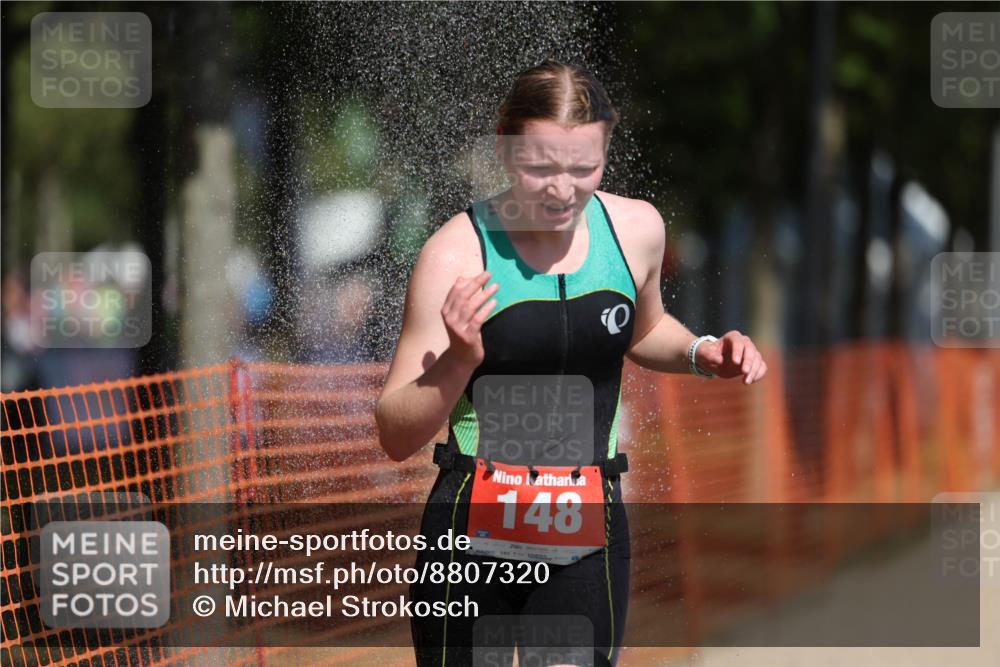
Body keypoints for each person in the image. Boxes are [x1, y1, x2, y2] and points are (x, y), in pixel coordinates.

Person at [376, 59, 767, 667]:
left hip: (585, 525)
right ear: (505, 152)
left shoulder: (636, 230)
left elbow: (645, 328)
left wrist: (702, 352)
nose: (563, 190)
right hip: (469, 531)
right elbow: (395, 433)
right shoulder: (456, 254)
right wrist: (458, 359)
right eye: (541, 169)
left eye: (584, 168)